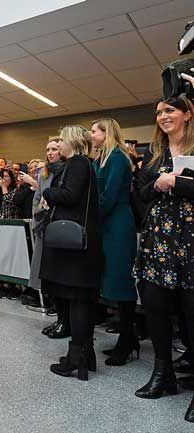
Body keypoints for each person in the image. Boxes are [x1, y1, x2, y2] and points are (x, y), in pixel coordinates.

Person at [133, 96, 194, 423]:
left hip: (191, 239)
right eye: (158, 112)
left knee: (191, 309)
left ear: (187, 113)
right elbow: (140, 193)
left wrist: (178, 182)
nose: (162, 116)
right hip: (159, 239)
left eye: (169, 110)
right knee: (155, 306)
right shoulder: (153, 154)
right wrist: (158, 183)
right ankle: (163, 374)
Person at [40, 125, 102, 381]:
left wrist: (47, 191)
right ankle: (85, 354)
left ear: (73, 142)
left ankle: (76, 357)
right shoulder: (85, 164)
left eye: (63, 140)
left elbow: (69, 195)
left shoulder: (77, 163)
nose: (60, 144)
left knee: (77, 302)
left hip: (75, 249)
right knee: (82, 301)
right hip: (82, 245)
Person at [90, 118, 139, 366]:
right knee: (112, 279)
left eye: (94, 130)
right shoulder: (101, 158)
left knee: (121, 280)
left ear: (106, 133)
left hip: (117, 224)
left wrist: (90, 216)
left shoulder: (118, 157)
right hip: (106, 224)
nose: (91, 134)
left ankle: (128, 339)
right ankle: (127, 337)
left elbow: (108, 196)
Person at [31, 139, 70, 339]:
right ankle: (60, 318)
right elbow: (36, 201)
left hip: (61, 230)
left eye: (54, 149)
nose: (50, 152)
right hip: (44, 229)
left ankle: (66, 321)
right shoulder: (43, 173)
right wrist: (41, 208)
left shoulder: (68, 171)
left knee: (61, 278)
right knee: (48, 278)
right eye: (47, 149)